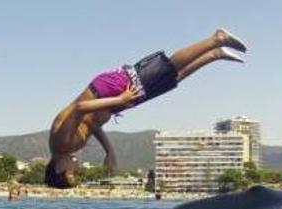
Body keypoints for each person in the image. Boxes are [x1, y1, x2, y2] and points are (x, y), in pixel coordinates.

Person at [45, 28, 247, 188]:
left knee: (166, 68)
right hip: (114, 101)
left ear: (58, 168)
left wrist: (119, 99)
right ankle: (214, 54)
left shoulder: (62, 143)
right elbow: (91, 123)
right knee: (170, 80)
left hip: (108, 91)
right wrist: (110, 151)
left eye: (71, 173)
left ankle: (216, 39)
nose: (77, 169)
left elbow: (80, 108)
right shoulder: (67, 148)